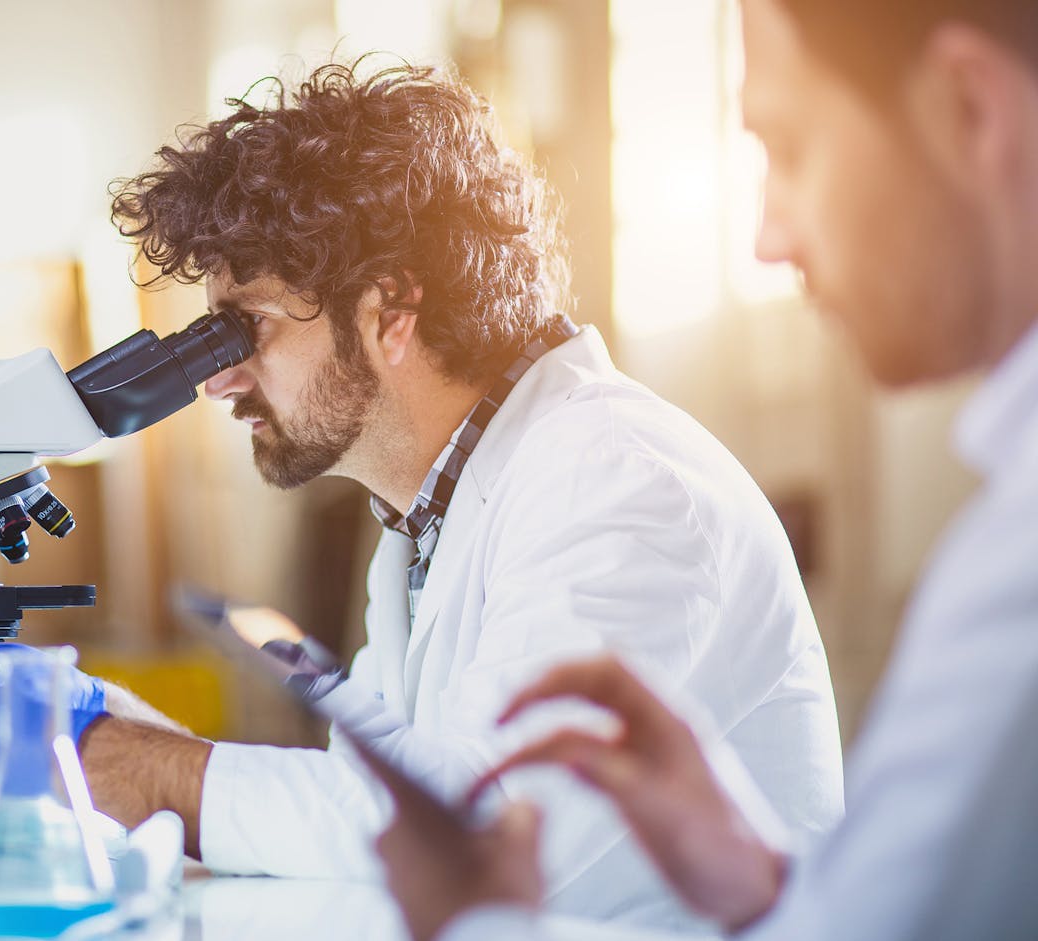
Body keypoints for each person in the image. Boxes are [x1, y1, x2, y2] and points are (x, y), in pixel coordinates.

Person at [0, 60, 843, 928]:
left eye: (244, 331)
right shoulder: (424, 519)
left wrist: (147, 766)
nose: (220, 379)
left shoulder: (617, 483)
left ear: (391, 308)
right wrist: (139, 745)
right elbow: (371, 817)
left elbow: (482, 828)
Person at [374, 1, 1038, 939]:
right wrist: (758, 879)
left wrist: (475, 919)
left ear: (971, 110)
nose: (768, 236)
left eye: (790, 148)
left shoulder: (1017, 570)